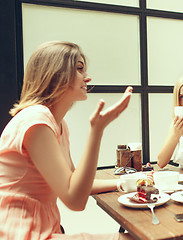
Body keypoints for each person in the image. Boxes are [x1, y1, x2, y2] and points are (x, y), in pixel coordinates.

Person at [0, 41, 133, 239]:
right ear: (54, 74)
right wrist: (97, 131)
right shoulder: (35, 119)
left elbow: (74, 181)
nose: (87, 77)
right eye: (79, 69)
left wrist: (124, 181)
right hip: (21, 234)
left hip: (45, 229)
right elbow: (75, 199)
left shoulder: (58, 124)